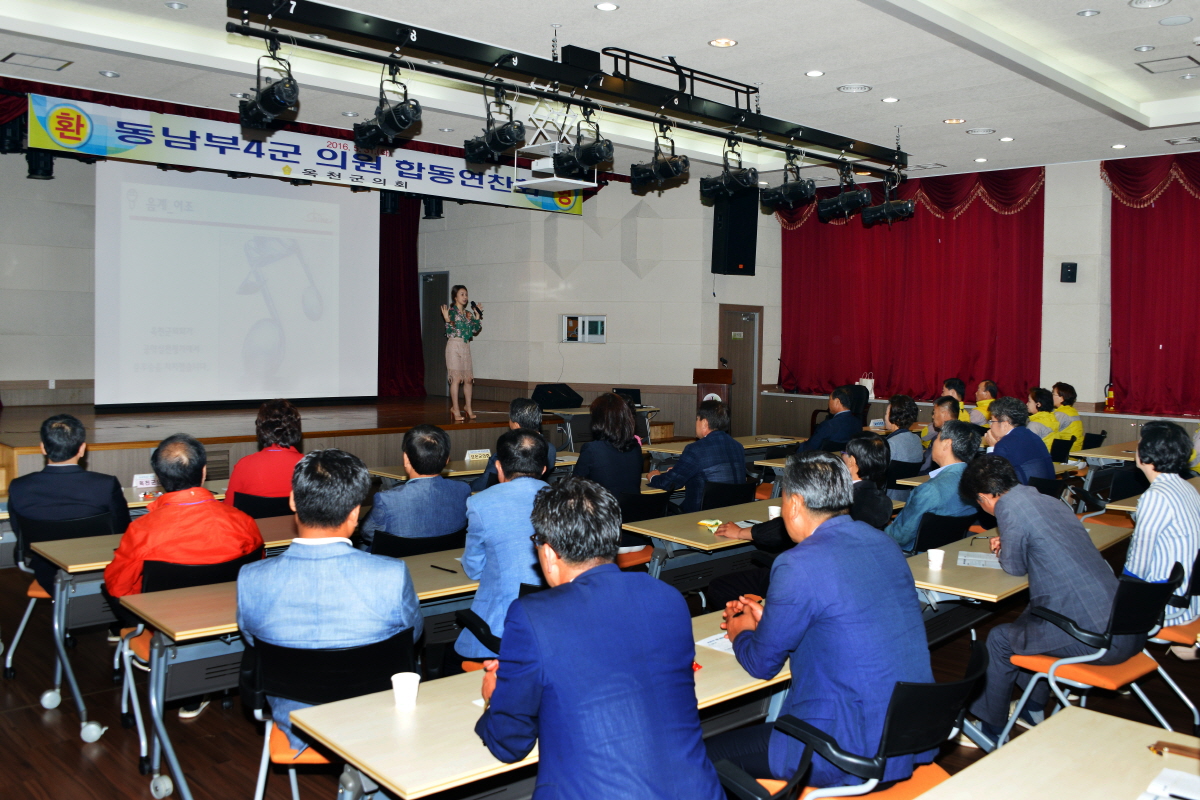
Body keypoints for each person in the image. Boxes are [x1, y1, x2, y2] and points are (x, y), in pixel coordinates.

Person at [475, 478, 724, 800]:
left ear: (548, 552)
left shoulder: (533, 616)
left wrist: (494, 695)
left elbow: (510, 743)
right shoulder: (668, 597)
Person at [703, 453, 933, 789]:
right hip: (910, 733)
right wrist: (776, 620)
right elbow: (847, 618)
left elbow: (762, 664)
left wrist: (742, 632)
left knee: (700, 756)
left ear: (794, 504)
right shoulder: (883, 544)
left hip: (846, 746)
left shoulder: (798, 563)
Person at [238, 449, 422, 749]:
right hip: (378, 720)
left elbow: (251, 638)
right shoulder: (391, 575)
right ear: (354, 514)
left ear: (293, 501)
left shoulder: (251, 579)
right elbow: (411, 636)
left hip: (296, 725)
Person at [959, 455, 1145, 743]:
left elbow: (1014, 567)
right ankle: (1032, 709)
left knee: (999, 639)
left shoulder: (1010, 509)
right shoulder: (1044, 498)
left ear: (984, 496)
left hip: (1095, 638)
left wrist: (1007, 545)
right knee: (1028, 620)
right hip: (1124, 626)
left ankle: (991, 728)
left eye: (978, 503)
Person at [105, 433, 263, 718]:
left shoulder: (142, 530)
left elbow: (118, 587)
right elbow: (256, 576)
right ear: (204, 472)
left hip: (165, 631)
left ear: (158, 477)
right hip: (229, 624)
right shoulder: (243, 521)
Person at [706, 434, 894, 610]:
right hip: (852, 577)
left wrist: (740, 532)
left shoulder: (841, 499)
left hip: (812, 575)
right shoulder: (884, 502)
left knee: (719, 586)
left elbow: (783, 528)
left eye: (844, 454)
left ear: (852, 461)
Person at [8, 413, 131, 595]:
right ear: (82, 449)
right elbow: (123, 530)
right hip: (100, 569)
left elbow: (20, 532)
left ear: (43, 448)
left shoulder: (19, 487)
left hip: (49, 573)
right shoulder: (105, 485)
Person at [456, 430, 548, 660]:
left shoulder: (480, 503)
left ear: (498, 467)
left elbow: (474, 569)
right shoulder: (564, 498)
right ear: (544, 469)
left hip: (502, 630)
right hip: (554, 623)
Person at [1124, 421, 1200, 645]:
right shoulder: (1187, 487)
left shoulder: (1156, 496)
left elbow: (1139, 561)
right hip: (1189, 599)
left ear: (1146, 453)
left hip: (1166, 607)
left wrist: (1120, 596)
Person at [361, 424, 471, 545]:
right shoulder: (463, 489)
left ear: (406, 459)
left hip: (399, 559)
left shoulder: (387, 499)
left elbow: (367, 533)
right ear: (447, 460)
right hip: (445, 559)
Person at [884, 421, 980, 553]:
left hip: (913, 555)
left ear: (947, 444)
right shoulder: (977, 483)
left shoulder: (930, 490)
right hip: (951, 552)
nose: (933, 443)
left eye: (936, 438)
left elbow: (900, 537)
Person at [571, 393, 645, 548]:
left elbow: (574, 489)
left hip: (604, 538)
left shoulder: (592, 450)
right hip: (635, 534)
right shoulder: (636, 448)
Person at [647, 400, 746, 513]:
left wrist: (654, 477)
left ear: (704, 423)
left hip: (700, 515)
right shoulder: (737, 446)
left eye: (697, 419)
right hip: (734, 512)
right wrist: (680, 471)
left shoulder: (695, 449)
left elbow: (670, 483)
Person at [224, 398, 304, 508]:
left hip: (255, 525)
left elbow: (229, 509)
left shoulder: (244, 465)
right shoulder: (311, 467)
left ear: (261, 429)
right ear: (296, 429)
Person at [470, 397, 556, 492]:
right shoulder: (550, 448)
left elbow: (483, 484)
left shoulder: (508, 450)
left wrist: (467, 486)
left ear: (516, 425)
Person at [984, 396, 1054, 484]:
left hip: (1024, 496)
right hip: (1047, 495)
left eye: (992, 421)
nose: (990, 426)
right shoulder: (1034, 437)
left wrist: (992, 447)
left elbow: (990, 479)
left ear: (1005, 425)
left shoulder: (1004, 445)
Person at [441, 284, 482, 422]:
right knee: (456, 378)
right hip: (454, 346)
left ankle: (468, 407)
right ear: (455, 297)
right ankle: (456, 408)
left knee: (469, 379)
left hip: (465, 346)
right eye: (462, 294)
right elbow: (449, 332)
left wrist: (476, 316)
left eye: (466, 294)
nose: (465, 297)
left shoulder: (468, 314)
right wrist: (447, 320)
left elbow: (475, 330)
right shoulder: (451, 312)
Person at [795, 385, 862, 452]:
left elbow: (808, 449)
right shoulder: (858, 423)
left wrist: (800, 446)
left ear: (837, 402)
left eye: (830, 399)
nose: (828, 402)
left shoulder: (828, 426)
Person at [882, 394, 923, 501]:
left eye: (886, 413)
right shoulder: (916, 440)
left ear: (895, 418)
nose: (885, 417)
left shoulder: (890, 444)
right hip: (908, 496)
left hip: (887, 497)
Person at [919, 396, 960, 474]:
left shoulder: (941, 438)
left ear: (944, 414)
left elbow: (925, 466)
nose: (933, 416)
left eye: (934, 413)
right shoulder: (962, 434)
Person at [1051, 382, 1085, 453]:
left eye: (1053, 394)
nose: (1051, 396)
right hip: (1076, 451)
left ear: (1062, 398)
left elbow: (1047, 431)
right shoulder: (1072, 411)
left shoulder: (1061, 414)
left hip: (1066, 455)